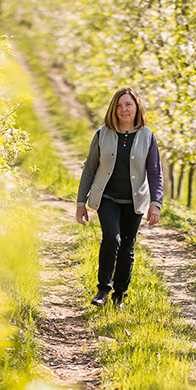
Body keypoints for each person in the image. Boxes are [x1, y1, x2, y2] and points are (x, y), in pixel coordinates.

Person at [76, 87, 163, 308]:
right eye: (119, 105)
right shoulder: (102, 134)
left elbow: (154, 173)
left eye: (128, 104)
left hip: (135, 202)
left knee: (127, 247)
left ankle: (120, 296)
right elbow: (89, 169)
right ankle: (103, 289)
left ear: (137, 108)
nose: (123, 109)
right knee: (111, 239)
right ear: (114, 109)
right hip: (107, 198)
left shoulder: (147, 136)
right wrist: (80, 203)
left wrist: (156, 204)